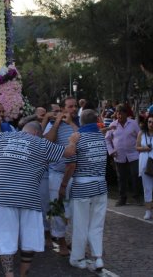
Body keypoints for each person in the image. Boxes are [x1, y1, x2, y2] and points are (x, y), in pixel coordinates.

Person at [0, 117, 77, 277]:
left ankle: (9, 275)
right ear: (37, 132)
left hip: (5, 198)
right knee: (29, 240)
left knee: (5, 239)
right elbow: (69, 153)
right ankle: (23, 275)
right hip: (29, 199)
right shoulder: (41, 143)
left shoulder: (4, 137)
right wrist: (73, 139)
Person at [64, 110, 107, 271]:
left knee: (80, 224)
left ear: (81, 121)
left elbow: (70, 163)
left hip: (82, 187)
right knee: (97, 225)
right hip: (101, 186)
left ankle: (78, 258)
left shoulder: (78, 138)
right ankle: (98, 258)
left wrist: (63, 185)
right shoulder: (100, 137)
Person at [42, 96, 79, 256]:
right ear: (64, 109)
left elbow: (82, 139)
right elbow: (46, 141)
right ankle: (61, 240)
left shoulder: (76, 125)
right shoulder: (52, 126)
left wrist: (70, 122)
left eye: (75, 106)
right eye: (70, 107)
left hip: (75, 174)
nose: (73, 109)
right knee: (58, 209)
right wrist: (57, 122)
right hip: (57, 174)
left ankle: (72, 238)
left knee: (75, 209)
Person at [105, 104, 141, 206]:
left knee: (135, 175)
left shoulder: (133, 123)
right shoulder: (113, 125)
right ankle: (122, 198)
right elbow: (107, 139)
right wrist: (111, 151)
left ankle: (137, 196)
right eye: (117, 113)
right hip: (119, 155)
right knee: (121, 177)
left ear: (126, 114)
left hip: (133, 154)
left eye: (121, 113)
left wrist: (140, 148)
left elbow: (140, 136)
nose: (119, 116)